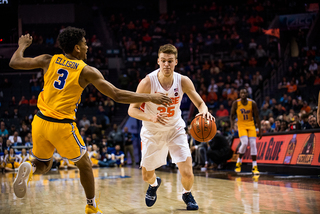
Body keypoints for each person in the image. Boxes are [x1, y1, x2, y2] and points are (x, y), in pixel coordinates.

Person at [9, 27, 172, 214]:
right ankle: (91, 207)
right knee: (85, 164)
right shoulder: (85, 70)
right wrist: (150, 98)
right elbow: (117, 95)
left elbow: (14, 62)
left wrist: (22, 45)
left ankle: (29, 167)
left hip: (38, 121)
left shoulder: (48, 59)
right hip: (61, 125)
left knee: (43, 164)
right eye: (85, 43)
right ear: (77, 48)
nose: (87, 46)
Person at [128, 44, 214, 210]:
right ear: (158, 62)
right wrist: (151, 117)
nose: (166, 64)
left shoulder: (183, 81)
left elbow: (200, 103)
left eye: (170, 61)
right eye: (163, 61)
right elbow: (132, 109)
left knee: (188, 172)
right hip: (152, 131)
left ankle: (187, 193)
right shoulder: (147, 82)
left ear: (176, 62)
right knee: (146, 175)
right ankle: (154, 185)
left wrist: (204, 112)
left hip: (175, 129)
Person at [230, 88, 262, 175]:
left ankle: (254, 167)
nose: (243, 94)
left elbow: (257, 117)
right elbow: (232, 115)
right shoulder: (236, 103)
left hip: (251, 125)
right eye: (241, 93)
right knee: (244, 143)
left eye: (244, 92)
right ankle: (239, 162)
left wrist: (260, 129)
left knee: (253, 144)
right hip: (241, 125)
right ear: (239, 94)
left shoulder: (252, 103)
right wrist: (232, 125)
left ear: (247, 94)